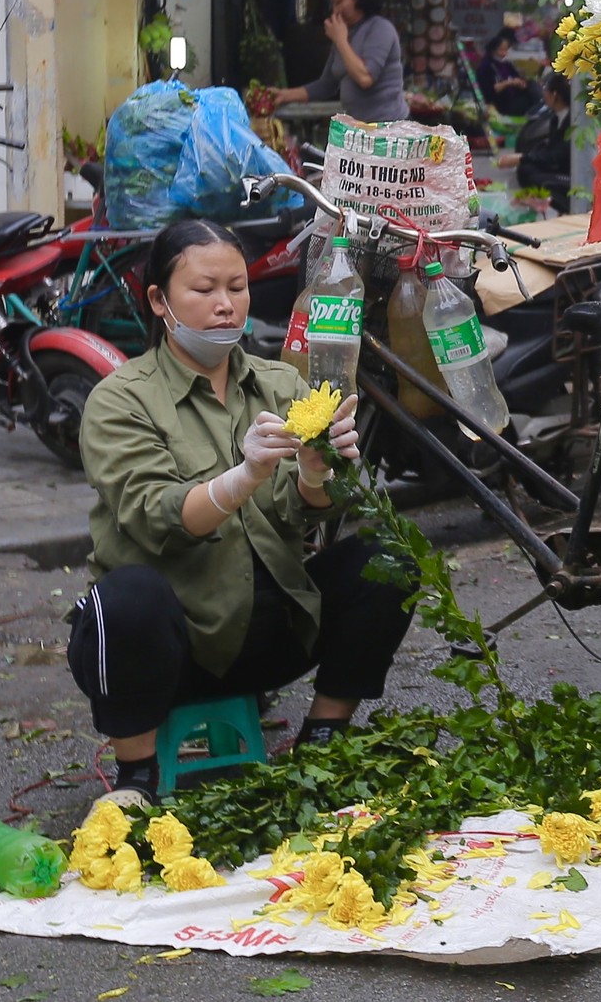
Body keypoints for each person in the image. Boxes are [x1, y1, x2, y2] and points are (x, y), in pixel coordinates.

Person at [68, 219, 414, 810]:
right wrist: (243, 476)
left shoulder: (282, 382)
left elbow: (303, 512)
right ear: (159, 300)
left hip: (274, 632)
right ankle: (137, 776)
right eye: (204, 290)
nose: (225, 306)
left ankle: (323, 738)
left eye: (238, 287)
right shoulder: (121, 398)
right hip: (172, 648)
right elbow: (158, 516)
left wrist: (316, 472)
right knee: (126, 598)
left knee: (387, 559)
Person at [268, 0, 407, 122]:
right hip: (360, 128)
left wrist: (340, 40)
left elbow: (365, 78)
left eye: (339, 2)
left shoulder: (380, 28)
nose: (335, 11)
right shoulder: (344, 35)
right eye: (333, 4)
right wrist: (285, 95)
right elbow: (327, 85)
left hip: (389, 127)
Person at [507, 72, 574, 213]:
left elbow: (558, 155)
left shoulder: (571, 121)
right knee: (525, 170)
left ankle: (567, 207)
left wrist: (523, 158)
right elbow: (549, 149)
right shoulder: (556, 118)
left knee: (535, 179)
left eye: (546, 91)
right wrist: (525, 158)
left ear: (554, 95)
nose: (543, 95)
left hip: (569, 173)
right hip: (557, 166)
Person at [475, 27, 538, 117]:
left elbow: (517, 77)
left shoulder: (507, 64)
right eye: (501, 49)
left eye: (506, 50)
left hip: (514, 97)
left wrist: (521, 83)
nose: (504, 53)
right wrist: (509, 83)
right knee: (529, 102)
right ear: (494, 49)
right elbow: (491, 90)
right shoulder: (486, 66)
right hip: (501, 104)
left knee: (532, 85)